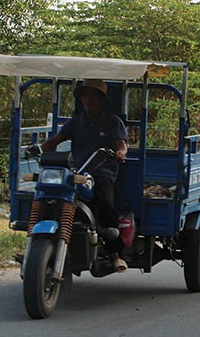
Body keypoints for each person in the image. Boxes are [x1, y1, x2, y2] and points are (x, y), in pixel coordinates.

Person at [27, 79, 129, 272]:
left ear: (101, 100)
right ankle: (39, 245)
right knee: (49, 198)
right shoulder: (76, 123)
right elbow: (54, 141)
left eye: (92, 96)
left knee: (106, 204)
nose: (88, 99)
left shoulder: (112, 121)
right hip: (77, 173)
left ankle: (116, 254)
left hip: (101, 172)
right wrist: (38, 148)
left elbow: (121, 145)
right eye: (85, 95)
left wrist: (121, 153)